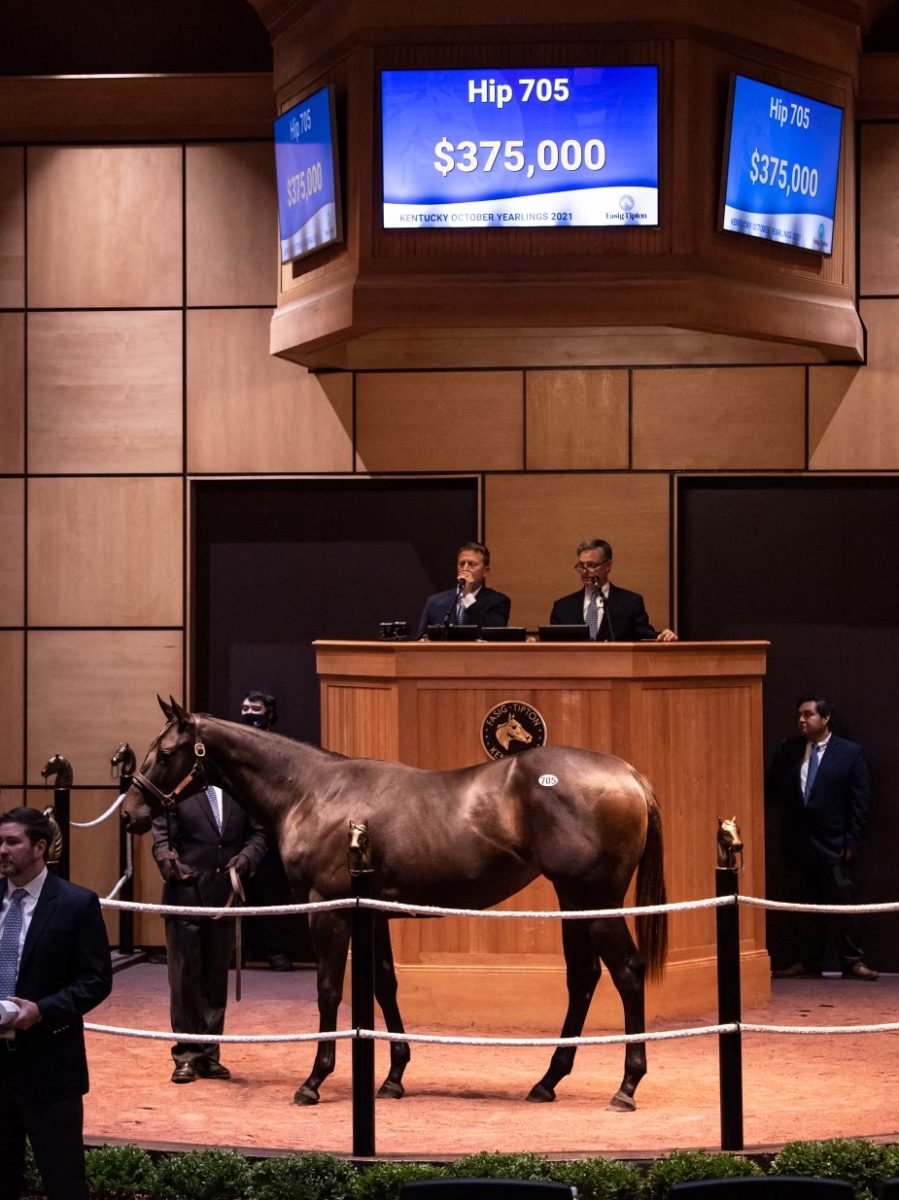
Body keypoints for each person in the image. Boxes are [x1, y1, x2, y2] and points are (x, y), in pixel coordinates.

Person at [0, 806, 112, 1200]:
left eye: (12, 841)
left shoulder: (75, 903)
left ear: (39, 847)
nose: (2, 850)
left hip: (50, 1069)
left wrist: (42, 1010)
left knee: (63, 1183)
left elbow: (96, 981)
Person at [151, 779, 268, 1082]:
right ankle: (186, 1056)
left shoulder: (240, 790)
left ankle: (208, 1055)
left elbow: (258, 835)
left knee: (215, 981)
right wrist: (170, 864)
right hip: (185, 897)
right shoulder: (177, 790)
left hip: (224, 898)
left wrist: (246, 859)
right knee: (185, 979)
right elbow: (162, 839)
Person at [766, 694, 878, 981]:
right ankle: (808, 962)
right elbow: (773, 792)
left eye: (808, 714)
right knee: (804, 907)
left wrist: (852, 841)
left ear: (825, 718)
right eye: (799, 715)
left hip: (835, 846)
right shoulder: (788, 750)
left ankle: (852, 962)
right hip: (799, 845)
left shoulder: (850, 753)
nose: (802, 720)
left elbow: (860, 802)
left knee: (844, 905)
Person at [239, 690, 296, 972]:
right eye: (245, 708)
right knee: (238, 895)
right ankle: (238, 953)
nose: (249, 713)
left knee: (273, 894)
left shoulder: (280, 747)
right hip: (238, 830)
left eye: (255, 708)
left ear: (269, 713)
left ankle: (276, 953)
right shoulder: (236, 745)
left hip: (272, 830)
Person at [549, 538, 678, 641]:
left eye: (591, 565)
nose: (584, 571)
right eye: (581, 566)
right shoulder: (562, 607)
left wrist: (664, 638)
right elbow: (552, 646)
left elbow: (646, 638)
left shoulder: (630, 603)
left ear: (608, 566)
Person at [416, 541, 511, 637]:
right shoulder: (435, 602)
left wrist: (468, 596)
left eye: (471, 564)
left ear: (485, 571)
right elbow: (421, 638)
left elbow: (494, 636)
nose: (465, 568)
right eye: (461, 564)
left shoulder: (498, 601)